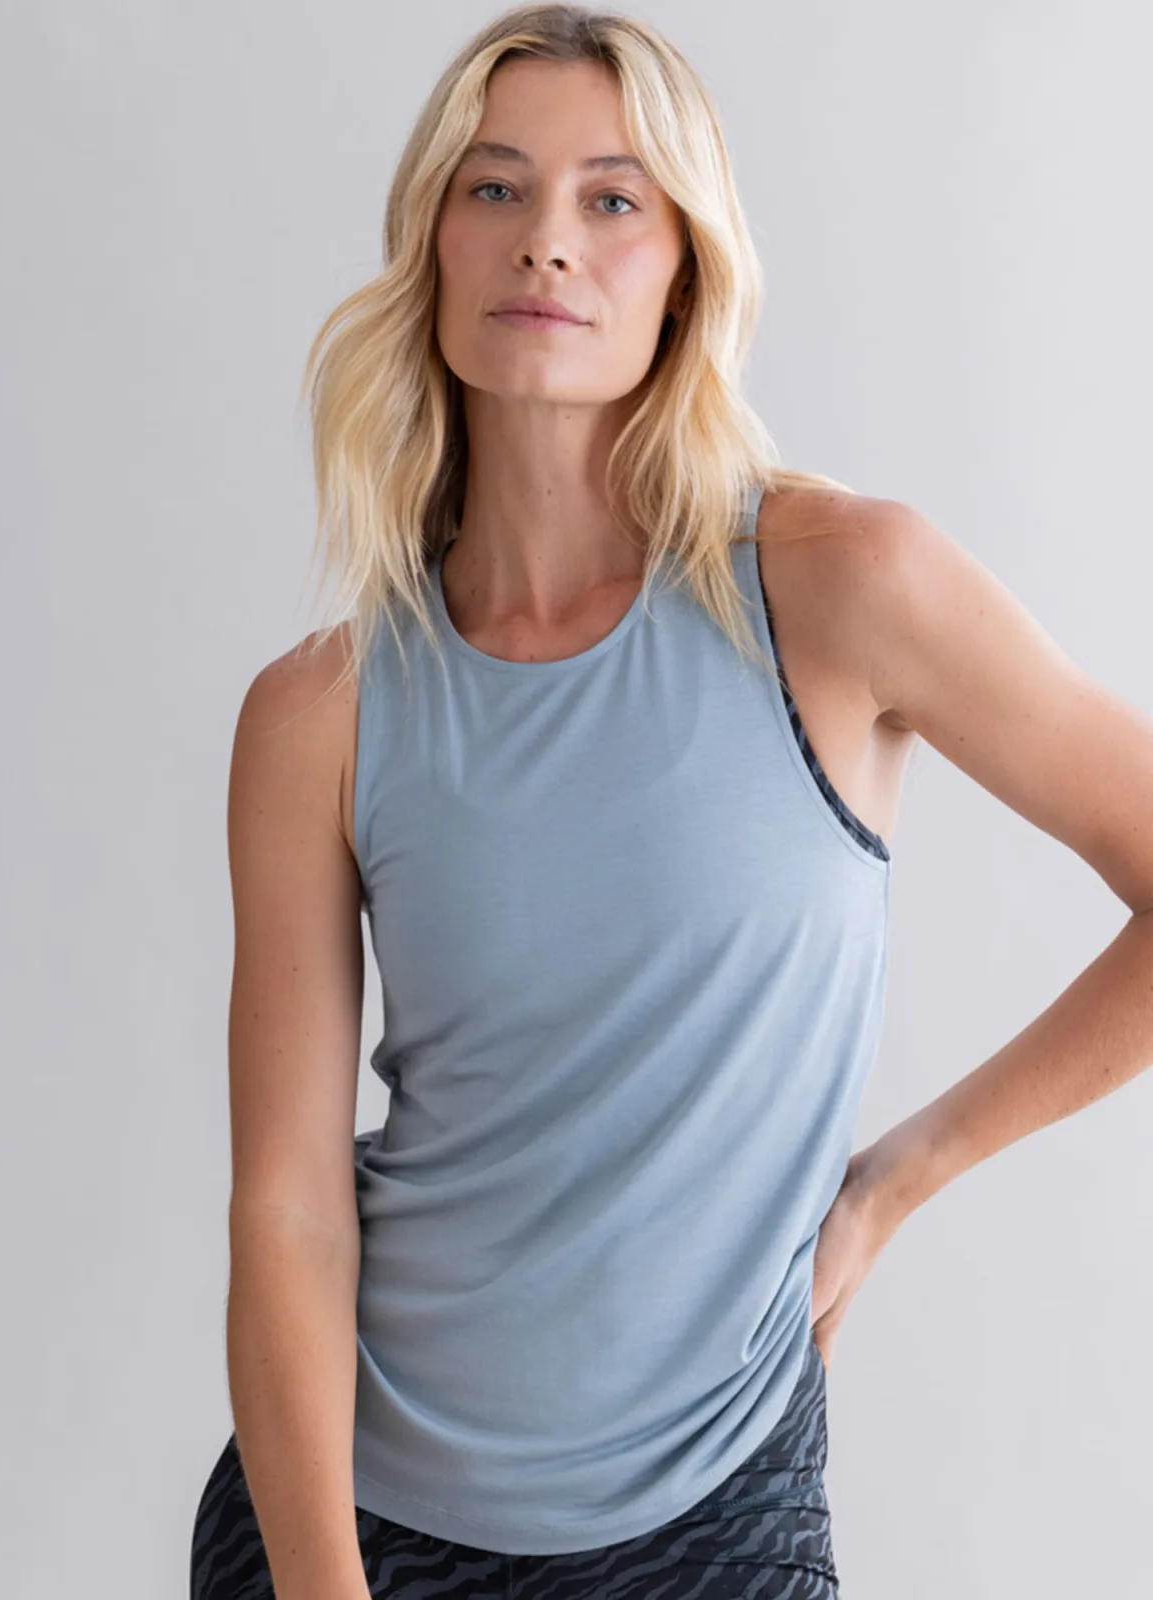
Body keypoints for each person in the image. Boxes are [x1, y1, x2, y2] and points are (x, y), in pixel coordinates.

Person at [190, 5, 1153, 1597]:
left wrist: (900, 1177)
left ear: (686, 268)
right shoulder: (322, 712)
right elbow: (286, 1208)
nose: (547, 240)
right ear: (433, 243)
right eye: (495, 187)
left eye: (613, 198)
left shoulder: (841, 590)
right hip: (350, 1521)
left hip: (716, 1516)